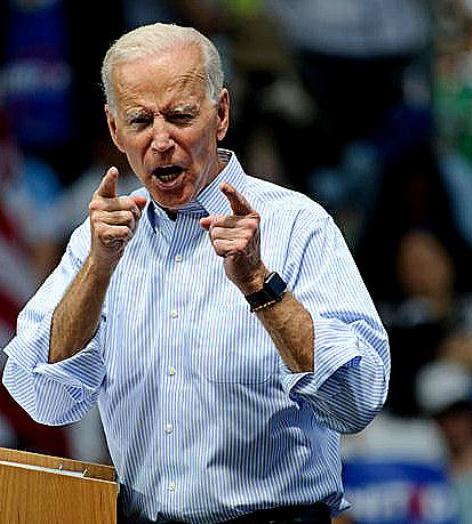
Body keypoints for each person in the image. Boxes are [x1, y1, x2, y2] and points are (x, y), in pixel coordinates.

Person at [1, 23, 390, 524]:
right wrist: (98, 270)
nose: (161, 140)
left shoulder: (298, 225)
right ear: (115, 129)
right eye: (140, 120)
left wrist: (260, 285)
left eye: (181, 116)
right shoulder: (97, 243)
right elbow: (43, 399)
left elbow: (356, 402)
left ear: (221, 114)